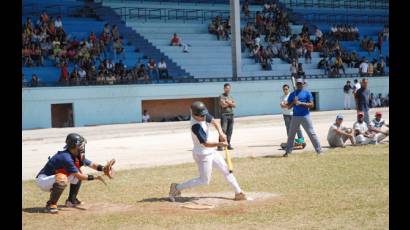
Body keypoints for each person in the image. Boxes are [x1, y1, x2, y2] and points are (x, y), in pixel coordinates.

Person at [168, 102, 247, 202]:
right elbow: (205, 143)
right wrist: (220, 144)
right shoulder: (195, 126)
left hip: (211, 151)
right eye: (202, 116)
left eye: (205, 115)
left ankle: (238, 192)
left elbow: (214, 121)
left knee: (226, 170)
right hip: (202, 154)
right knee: (204, 181)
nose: (204, 117)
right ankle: (177, 188)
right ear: (194, 115)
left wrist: (221, 133)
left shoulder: (202, 114)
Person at [35, 133, 113, 214]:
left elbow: (92, 164)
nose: (82, 147)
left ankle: (71, 200)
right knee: (64, 177)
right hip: (43, 180)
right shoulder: (65, 157)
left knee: (75, 173)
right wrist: (95, 177)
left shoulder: (76, 155)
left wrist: (104, 168)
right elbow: (79, 176)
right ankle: (51, 205)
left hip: (54, 178)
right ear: (73, 146)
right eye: (80, 145)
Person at [283, 79, 322, 157]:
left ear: (303, 84)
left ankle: (319, 151)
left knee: (311, 133)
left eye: (300, 83)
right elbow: (288, 107)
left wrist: (300, 103)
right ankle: (288, 152)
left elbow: (312, 105)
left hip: (305, 116)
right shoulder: (292, 94)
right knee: (291, 135)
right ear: (296, 84)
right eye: (297, 83)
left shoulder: (307, 93)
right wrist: (293, 102)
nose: (299, 85)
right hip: (295, 116)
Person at [217, 83, 236, 151]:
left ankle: (228, 144)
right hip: (224, 115)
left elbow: (234, 105)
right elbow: (223, 105)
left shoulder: (231, 96)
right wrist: (230, 103)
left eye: (229, 88)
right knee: (223, 130)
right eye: (226, 88)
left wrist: (228, 102)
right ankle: (220, 145)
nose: (228, 89)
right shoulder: (221, 96)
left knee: (230, 131)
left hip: (231, 115)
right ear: (224, 88)